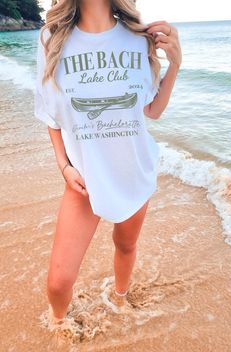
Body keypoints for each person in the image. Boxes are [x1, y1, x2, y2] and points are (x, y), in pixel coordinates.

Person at [34, 0, 182, 328]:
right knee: (58, 283)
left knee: (125, 245)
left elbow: (152, 110)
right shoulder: (52, 40)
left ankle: (120, 297)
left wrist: (175, 64)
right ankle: (60, 327)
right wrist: (64, 166)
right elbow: (50, 114)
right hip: (84, 178)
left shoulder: (139, 38)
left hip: (133, 169)